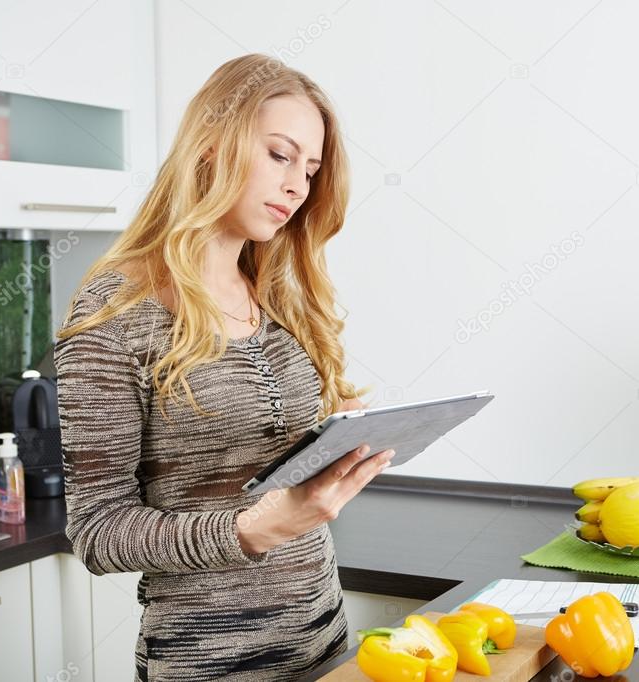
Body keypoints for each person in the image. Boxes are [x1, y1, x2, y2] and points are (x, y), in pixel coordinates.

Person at [54, 54, 392, 681]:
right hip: (207, 664)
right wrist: (252, 530)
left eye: (311, 170)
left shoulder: (278, 295)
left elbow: (258, 457)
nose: (298, 186)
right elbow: (98, 532)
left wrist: (327, 437)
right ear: (211, 144)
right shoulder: (116, 312)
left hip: (323, 645)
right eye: (280, 155)